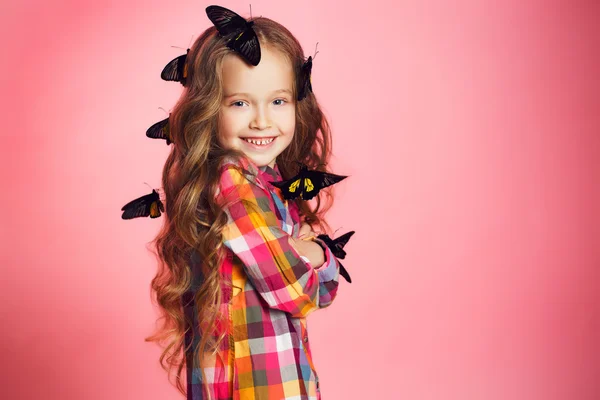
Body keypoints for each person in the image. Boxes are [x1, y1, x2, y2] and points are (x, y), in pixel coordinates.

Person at [146, 9, 344, 400]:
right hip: (254, 387)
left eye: (278, 100)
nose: (261, 120)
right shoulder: (234, 184)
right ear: (208, 107)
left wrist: (302, 253)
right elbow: (297, 291)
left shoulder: (266, 182)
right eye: (239, 103)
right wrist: (318, 256)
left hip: (269, 377)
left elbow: (307, 285)